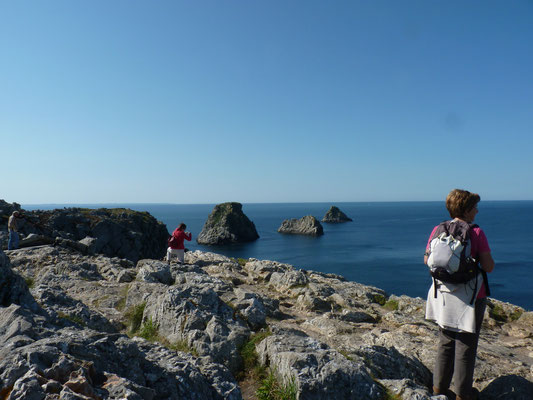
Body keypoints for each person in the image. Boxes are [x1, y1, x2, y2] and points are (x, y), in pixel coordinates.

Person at [424, 189, 495, 400]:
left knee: (445, 341)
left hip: (443, 295)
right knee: (466, 345)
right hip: (471, 297)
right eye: (474, 207)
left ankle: (438, 389)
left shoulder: (438, 229)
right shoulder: (476, 233)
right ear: (466, 209)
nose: (477, 210)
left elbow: (427, 260)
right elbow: (488, 266)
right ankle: (463, 394)